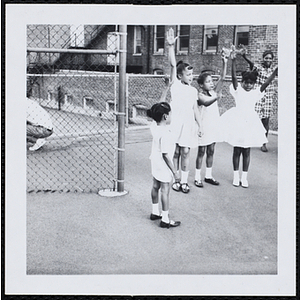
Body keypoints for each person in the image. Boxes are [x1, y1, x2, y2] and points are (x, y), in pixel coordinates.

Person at [221, 47, 278, 188]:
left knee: (247, 150)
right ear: (242, 82)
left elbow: (267, 82)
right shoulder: (238, 90)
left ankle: (244, 177)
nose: (248, 85)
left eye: (250, 83)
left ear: (254, 84)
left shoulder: (256, 92)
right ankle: (236, 176)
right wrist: (233, 61)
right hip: (237, 121)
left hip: (250, 122)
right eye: (246, 82)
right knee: (237, 149)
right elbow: (234, 77)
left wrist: (276, 71)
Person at [166, 27, 202, 194]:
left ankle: (185, 181)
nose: (191, 77)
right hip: (175, 122)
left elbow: (195, 109)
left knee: (186, 151)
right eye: (188, 74)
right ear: (180, 76)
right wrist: (171, 46)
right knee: (175, 153)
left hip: (188, 124)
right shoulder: (175, 85)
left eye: (192, 74)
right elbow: (173, 65)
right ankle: (175, 179)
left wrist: (200, 125)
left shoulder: (193, 91)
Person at [194, 50, 228, 187]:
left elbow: (223, 77)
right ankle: (197, 177)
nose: (211, 83)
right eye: (208, 82)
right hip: (204, 127)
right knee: (201, 151)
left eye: (211, 81)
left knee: (211, 150)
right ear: (201, 85)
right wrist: (216, 97)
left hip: (214, 126)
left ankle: (208, 175)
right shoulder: (200, 95)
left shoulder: (213, 92)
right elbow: (207, 102)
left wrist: (224, 62)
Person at [147, 102, 181, 228]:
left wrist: (165, 89)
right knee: (165, 190)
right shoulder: (166, 133)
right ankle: (165, 219)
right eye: (170, 113)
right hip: (163, 164)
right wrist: (175, 173)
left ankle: (155, 211)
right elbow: (166, 155)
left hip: (154, 161)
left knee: (155, 185)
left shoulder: (154, 126)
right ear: (166, 117)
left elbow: (156, 107)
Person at [240, 46, 278, 152]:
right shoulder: (258, 68)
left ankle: (263, 143)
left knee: (265, 120)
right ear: (263, 59)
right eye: (266, 58)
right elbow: (252, 65)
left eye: (270, 58)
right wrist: (244, 56)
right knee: (252, 118)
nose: (268, 60)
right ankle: (246, 138)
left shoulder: (274, 70)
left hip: (268, 97)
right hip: (258, 96)